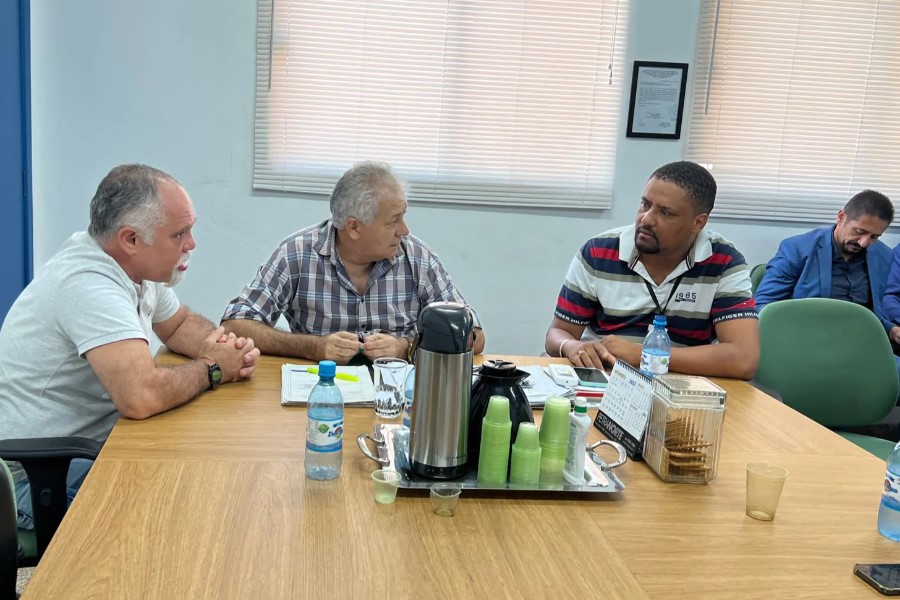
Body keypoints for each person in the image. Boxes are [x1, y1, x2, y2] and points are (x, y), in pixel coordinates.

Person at [0, 164, 260, 530]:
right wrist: (213, 368)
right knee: (180, 517)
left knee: (201, 470)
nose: (191, 244)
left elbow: (180, 324)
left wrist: (225, 348)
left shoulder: (135, 269)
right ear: (131, 239)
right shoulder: (89, 284)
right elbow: (141, 397)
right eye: (180, 233)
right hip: (35, 478)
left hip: (90, 448)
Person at [221, 161, 485, 363]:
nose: (404, 230)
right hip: (319, 394)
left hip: (396, 398)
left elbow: (475, 336)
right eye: (393, 221)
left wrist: (406, 347)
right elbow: (235, 324)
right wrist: (313, 347)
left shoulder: (417, 258)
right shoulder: (297, 254)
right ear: (354, 227)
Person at [544, 161, 759, 380]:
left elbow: (743, 359)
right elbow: (558, 333)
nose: (646, 219)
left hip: (682, 386)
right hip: (604, 378)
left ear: (698, 223)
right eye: (645, 204)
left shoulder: (724, 262)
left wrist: (643, 355)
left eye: (665, 213)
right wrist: (570, 346)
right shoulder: (598, 253)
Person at [755, 190, 896, 340]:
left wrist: (890, 329)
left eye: (874, 237)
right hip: (805, 337)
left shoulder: (882, 255)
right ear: (841, 217)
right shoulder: (797, 248)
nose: (864, 242)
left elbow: (871, 311)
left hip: (857, 339)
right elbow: (764, 306)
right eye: (859, 231)